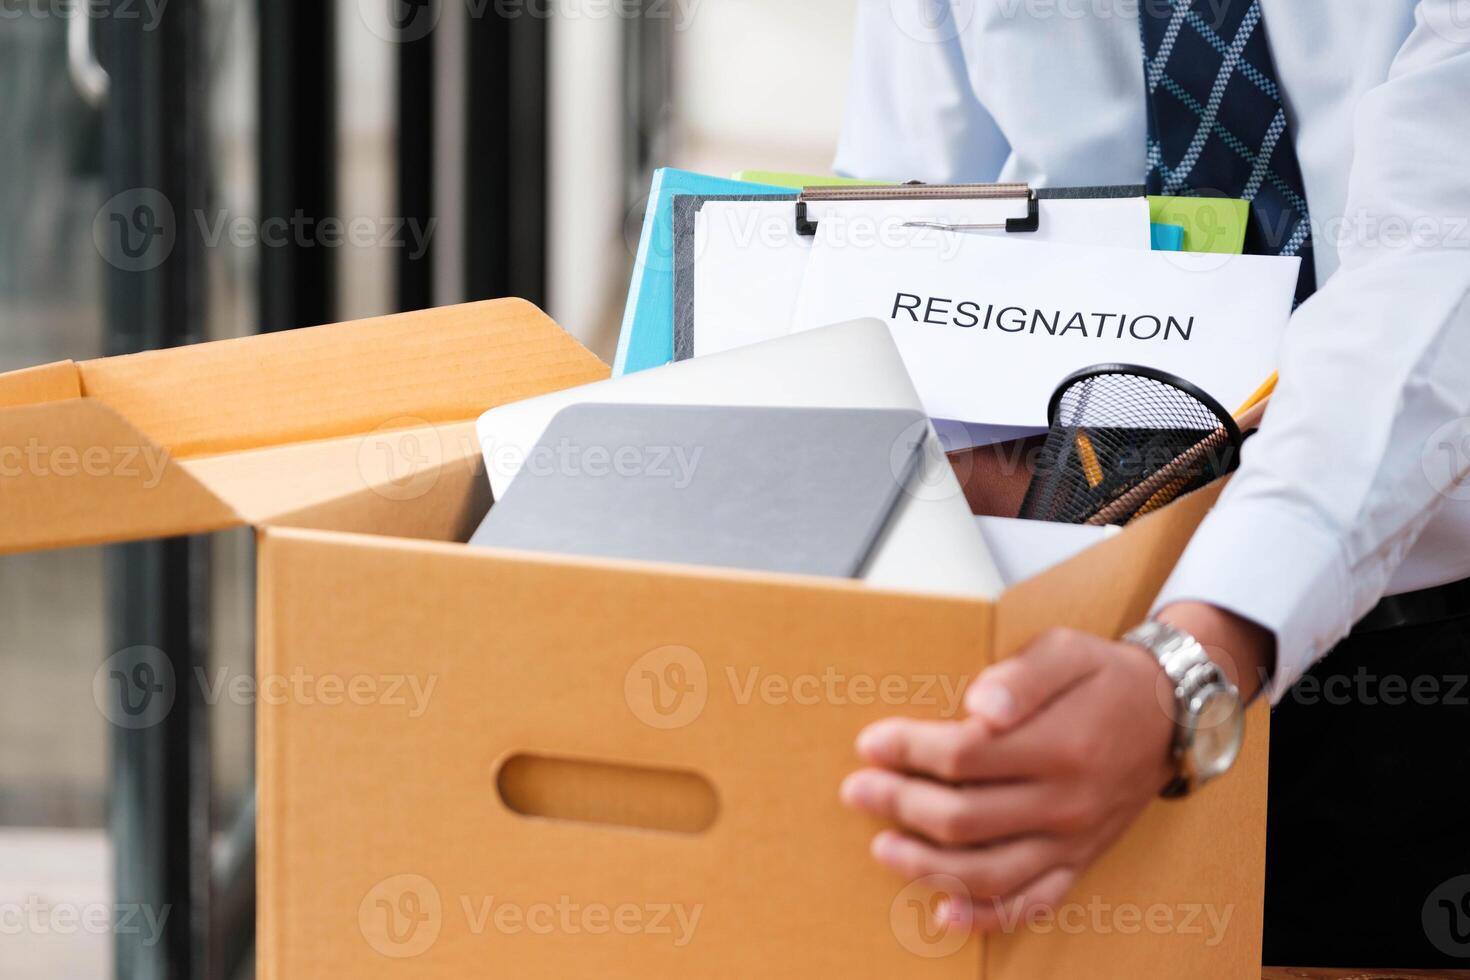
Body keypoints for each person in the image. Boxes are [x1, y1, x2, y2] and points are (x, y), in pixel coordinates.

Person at [834, 0, 1470, 967]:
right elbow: (911, 197)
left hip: (1418, 645)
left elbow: (1437, 274)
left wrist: (1189, 661)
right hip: (1057, 622)